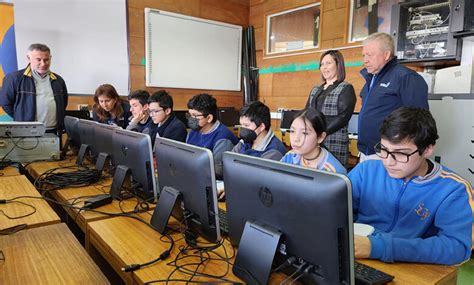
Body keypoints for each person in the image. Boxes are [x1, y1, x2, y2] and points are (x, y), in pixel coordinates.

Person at [349, 107, 473, 265]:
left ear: (427, 149)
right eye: (384, 149)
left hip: (409, 265)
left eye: (401, 153)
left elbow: (457, 249)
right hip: (359, 256)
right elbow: (335, 208)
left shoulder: (454, 189)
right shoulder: (367, 169)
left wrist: (379, 247)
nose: (388, 161)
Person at [358, 32, 429, 161]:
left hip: (391, 155)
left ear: (386, 55)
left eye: (369, 55)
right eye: (364, 55)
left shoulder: (406, 78)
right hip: (366, 152)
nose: (365, 60)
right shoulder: (371, 78)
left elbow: (419, 122)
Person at [0, 43, 68, 133]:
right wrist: (21, 118)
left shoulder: (59, 80)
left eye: (46, 59)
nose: (43, 63)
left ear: (50, 58)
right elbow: (6, 103)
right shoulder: (14, 78)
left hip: (54, 130)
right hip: (26, 131)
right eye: (38, 59)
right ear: (29, 58)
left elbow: (63, 103)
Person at [307, 50, 356, 166]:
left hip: (333, 142)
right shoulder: (315, 90)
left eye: (328, 63)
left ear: (338, 65)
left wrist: (320, 132)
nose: (324, 67)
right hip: (312, 141)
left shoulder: (346, 88)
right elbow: (306, 112)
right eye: (322, 64)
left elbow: (342, 117)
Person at [186, 93, 238, 178]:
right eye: (189, 115)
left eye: (195, 116)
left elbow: (218, 171)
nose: (191, 119)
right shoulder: (193, 131)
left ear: (209, 118)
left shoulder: (223, 138)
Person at [280, 108, 346, 175]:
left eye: (304, 133)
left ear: (320, 137)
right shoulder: (289, 157)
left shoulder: (334, 172)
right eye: (292, 131)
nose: (296, 139)